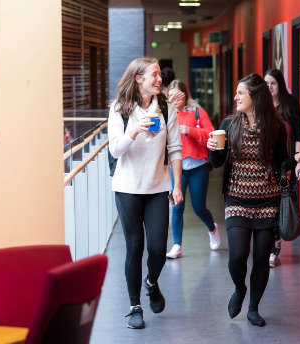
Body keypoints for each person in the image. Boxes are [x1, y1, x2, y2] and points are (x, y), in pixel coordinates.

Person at [207, 73, 298, 327]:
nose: (235, 97)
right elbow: (216, 163)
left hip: (267, 202)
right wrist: (212, 150)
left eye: (240, 93)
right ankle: (239, 288)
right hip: (237, 199)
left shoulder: (277, 127)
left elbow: (281, 162)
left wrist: (297, 161)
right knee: (237, 257)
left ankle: (254, 308)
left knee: (260, 259)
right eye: (236, 93)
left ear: (255, 97)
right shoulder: (229, 124)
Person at [108, 57, 184, 329]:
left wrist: (177, 185)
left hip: (157, 187)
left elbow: (175, 148)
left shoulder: (165, 108)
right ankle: (135, 306)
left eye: (159, 75)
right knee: (135, 246)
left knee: (156, 248)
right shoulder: (120, 109)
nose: (159, 79)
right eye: (153, 75)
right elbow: (115, 150)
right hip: (127, 188)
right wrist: (134, 131)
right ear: (138, 78)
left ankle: (151, 282)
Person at [165, 79, 220, 259]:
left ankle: (212, 228)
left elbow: (211, 134)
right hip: (176, 168)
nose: (176, 97)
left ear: (185, 94)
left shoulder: (197, 112)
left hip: (198, 166)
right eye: (171, 94)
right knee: (177, 206)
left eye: (179, 93)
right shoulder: (165, 114)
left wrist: (190, 130)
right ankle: (177, 245)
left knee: (198, 207)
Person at [264, 68, 300, 268]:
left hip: (286, 167)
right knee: (267, 204)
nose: (269, 87)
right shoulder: (262, 106)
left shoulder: (290, 104)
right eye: (266, 84)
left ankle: (275, 248)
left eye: (272, 83)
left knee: (280, 202)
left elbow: (299, 133)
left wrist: (299, 161)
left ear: (279, 84)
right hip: (266, 166)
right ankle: (270, 244)